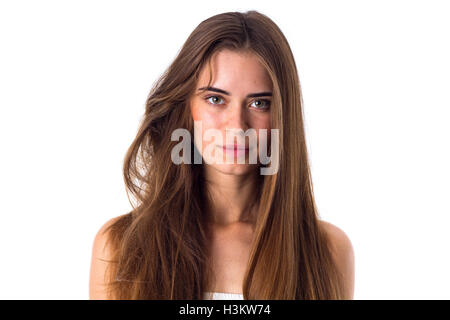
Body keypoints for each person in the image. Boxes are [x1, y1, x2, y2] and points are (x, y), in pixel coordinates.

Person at [89, 10, 354, 300]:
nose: (237, 126)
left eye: (259, 103)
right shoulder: (120, 246)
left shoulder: (327, 251)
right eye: (216, 99)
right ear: (185, 109)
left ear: (283, 115)